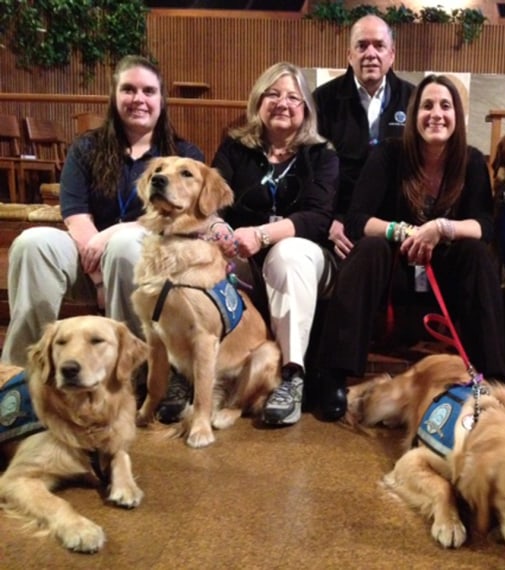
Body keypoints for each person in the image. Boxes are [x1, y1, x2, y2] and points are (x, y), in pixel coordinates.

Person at [1, 55, 204, 421]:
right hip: (86, 252)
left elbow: (181, 220)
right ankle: (20, 376)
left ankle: (130, 377)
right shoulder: (87, 147)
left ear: (161, 100)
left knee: (127, 246)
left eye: (149, 91)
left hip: (151, 261)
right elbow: (75, 213)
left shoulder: (184, 155)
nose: (138, 98)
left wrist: (115, 232)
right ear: (114, 96)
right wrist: (97, 272)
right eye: (128, 89)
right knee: (33, 244)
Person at [315, 74, 505, 421]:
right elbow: (358, 219)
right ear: (413, 114)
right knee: (368, 248)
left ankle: (492, 379)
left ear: (458, 116)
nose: (436, 114)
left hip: (448, 275)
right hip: (397, 271)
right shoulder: (389, 153)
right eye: (427, 105)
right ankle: (333, 375)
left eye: (445, 106)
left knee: (478, 254)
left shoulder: (472, 160)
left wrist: (440, 228)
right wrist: (402, 231)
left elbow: (485, 226)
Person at [211, 62, 338, 427]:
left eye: (293, 97)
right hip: (240, 254)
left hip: (307, 256)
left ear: (306, 109)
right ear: (258, 101)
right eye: (273, 94)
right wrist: (220, 230)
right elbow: (211, 200)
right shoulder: (235, 147)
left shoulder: (321, 154)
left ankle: (292, 376)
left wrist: (262, 235)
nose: (283, 103)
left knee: (288, 253)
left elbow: (318, 218)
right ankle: (188, 375)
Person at [313, 14, 415, 261]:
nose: (370, 53)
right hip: (340, 223)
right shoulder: (323, 100)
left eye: (379, 45)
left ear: (392, 54)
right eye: (362, 45)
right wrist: (330, 221)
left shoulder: (414, 100)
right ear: (349, 55)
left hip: (397, 221)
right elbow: (314, 170)